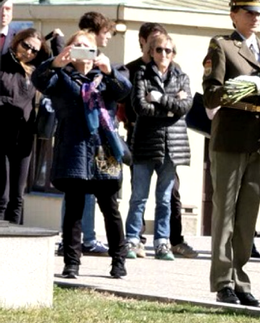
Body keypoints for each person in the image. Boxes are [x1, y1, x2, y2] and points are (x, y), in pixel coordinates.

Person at [33, 29, 131, 279]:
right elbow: (39, 79)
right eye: (75, 46)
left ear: (95, 50)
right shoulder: (60, 77)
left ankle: (119, 261)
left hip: (103, 149)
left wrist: (110, 71)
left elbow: (124, 90)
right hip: (74, 147)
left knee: (110, 208)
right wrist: (54, 63)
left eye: (86, 46)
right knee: (74, 208)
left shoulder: (106, 76)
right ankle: (71, 263)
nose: (81, 51)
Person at [202, 0, 260, 307]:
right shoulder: (222, 46)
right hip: (231, 137)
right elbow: (210, 92)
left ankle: (240, 277)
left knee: (248, 215)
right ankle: (223, 280)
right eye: (248, 12)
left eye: (259, 13)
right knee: (225, 212)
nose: (255, 18)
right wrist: (246, 86)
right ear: (233, 14)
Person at [125, 32, 191, 262]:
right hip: (145, 144)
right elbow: (140, 107)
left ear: (174, 54)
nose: (164, 54)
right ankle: (132, 239)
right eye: (159, 50)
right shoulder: (141, 74)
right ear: (151, 52)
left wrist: (159, 98)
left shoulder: (182, 76)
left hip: (172, 146)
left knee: (165, 199)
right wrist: (170, 107)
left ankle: (162, 242)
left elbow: (185, 107)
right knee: (139, 197)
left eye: (168, 50)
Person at [0, 27, 40, 224]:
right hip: (2, 134)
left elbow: (58, 65)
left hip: (24, 137)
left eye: (35, 50)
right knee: (2, 196)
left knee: (18, 196)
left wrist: (57, 39)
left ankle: (15, 243)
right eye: (26, 45)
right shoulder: (3, 64)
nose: (30, 52)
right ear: (17, 41)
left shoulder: (34, 71)